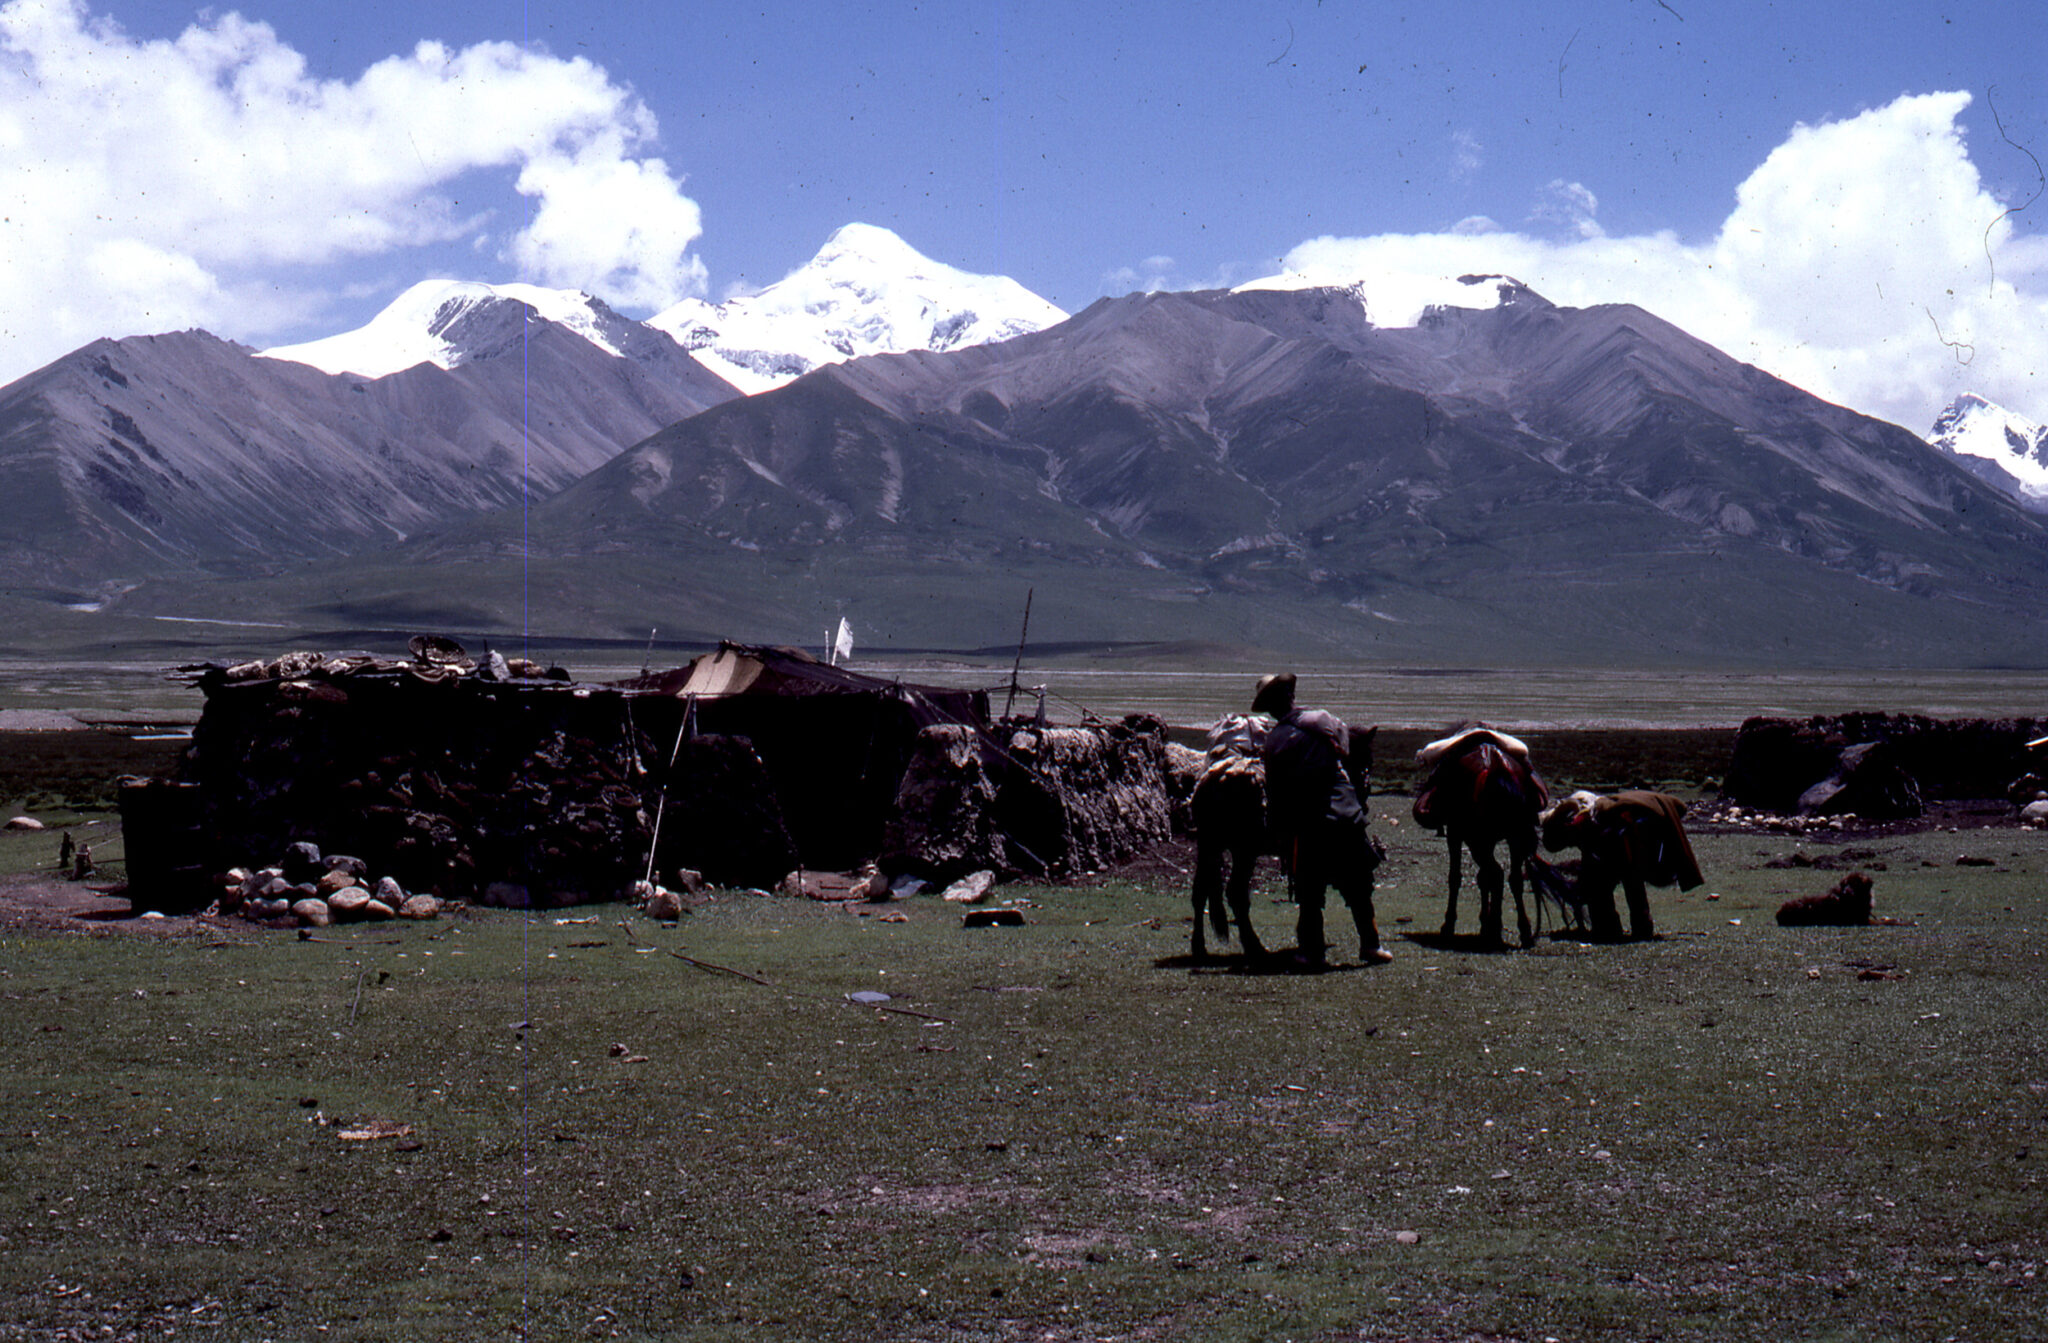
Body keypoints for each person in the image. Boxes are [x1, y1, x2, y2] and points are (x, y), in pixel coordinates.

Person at [1255, 673, 1390, 967]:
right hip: (1344, 814)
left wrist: (1277, 827)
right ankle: (1371, 945)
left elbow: (1275, 789)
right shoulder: (1325, 719)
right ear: (1291, 696)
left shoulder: (1274, 740)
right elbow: (1347, 751)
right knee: (1359, 885)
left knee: (1308, 890)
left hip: (1306, 821)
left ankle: (1310, 951)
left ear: (1271, 708)